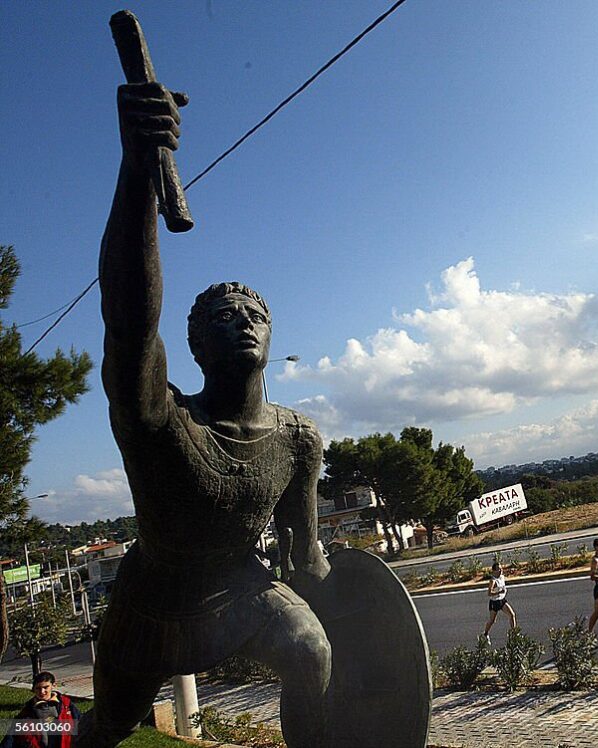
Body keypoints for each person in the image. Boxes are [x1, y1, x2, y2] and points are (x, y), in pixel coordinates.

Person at [86, 79, 331, 747]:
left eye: (256, 316)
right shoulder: (161, 423)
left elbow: (305, 556)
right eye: (224, 317)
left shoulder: (299, 438)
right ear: (194, 343)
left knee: (310, 651)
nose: (245, 323)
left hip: (243, 597)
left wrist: (349, 596)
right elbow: (130, 319)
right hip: (149, 608)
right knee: (106, 727)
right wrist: (139, 168)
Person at [1, 670, 81, 748]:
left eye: (45, 687)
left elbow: (82, 723)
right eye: (38, 688)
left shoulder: (66, 705)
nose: (42, 692)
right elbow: (12, 736)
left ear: (53, 685)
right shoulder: (28, 711)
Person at [482, 561, 517, 643]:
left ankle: (514, 634)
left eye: (501, 568)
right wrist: (499, 592)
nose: (500, 570)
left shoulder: (502, 577)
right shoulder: (493, 581)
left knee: (512, 615)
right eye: (498, 569)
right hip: (495, 602)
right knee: (492, 621)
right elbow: (489, 593)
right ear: (494, 571)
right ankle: (485, 633)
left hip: (502, 600)